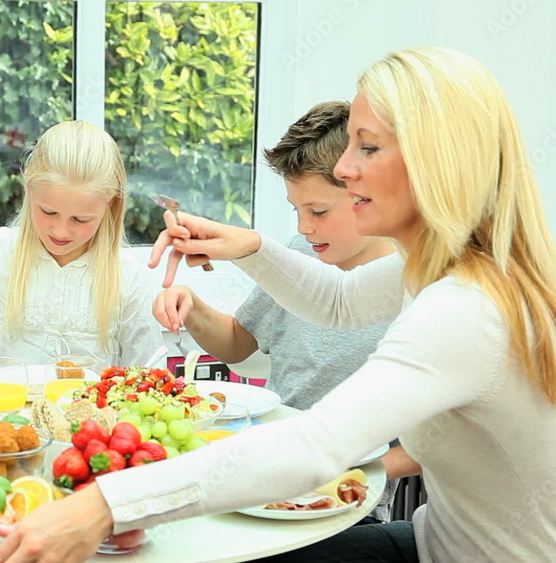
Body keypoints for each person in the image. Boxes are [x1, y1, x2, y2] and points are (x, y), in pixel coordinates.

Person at [0, 47, 556, 563]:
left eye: (367, 147)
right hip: (434, 542)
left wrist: (103, 504)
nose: (344, 167)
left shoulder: (467, 308)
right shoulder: (448, 266)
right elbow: (336, 300)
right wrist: (249, 247)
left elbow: (315, 448)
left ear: (435, 162)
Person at [153, 100, 404, 522]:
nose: (305, 226)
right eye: (297, 210)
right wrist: (192, 308)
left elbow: (428, 444)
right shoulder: (301, 252)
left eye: (319, 211)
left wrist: (343, 472)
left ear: (366, 194)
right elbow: (237, 345)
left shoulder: (414, 285)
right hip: (272, 474)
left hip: (346, 501)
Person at [0, 121, 162, 369]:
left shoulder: (128, 275)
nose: (60, 231)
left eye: (80, 219)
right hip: (4, 407)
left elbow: (147, 372)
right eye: (48, 212)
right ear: (28, 191)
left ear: (110, 204)